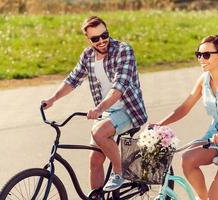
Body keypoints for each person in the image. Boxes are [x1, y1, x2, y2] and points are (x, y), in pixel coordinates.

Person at [41, 16, 148, 192]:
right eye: (95, 38)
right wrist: (52, 99)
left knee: (99, 132)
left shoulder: (123, 50)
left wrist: (99, 108)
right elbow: (72, 80)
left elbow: (118, 88)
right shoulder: (88, 56)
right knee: (95, 160)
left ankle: (120, 171)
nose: (101, 41)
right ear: (88, 39)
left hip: (128, 110)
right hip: (106, 113)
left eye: (104, 35)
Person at [151, 35, 218, 200]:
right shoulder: (203, 80)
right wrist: (159, 124)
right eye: (198, 54)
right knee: (187, 160)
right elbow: (185, 107)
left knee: (217, 194)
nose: (201, 59)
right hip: (212, 139)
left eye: (206, 55)